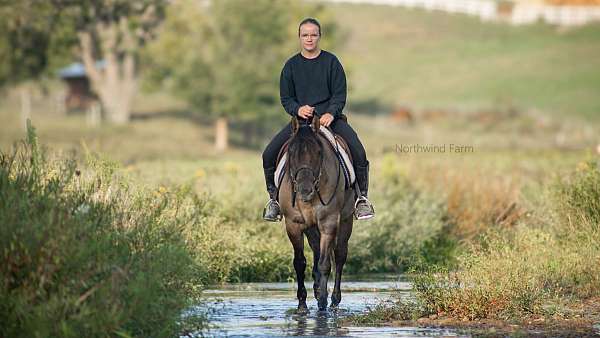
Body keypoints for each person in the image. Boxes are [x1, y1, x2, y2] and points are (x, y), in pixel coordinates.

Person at [262, 17, 375, 221]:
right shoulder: (290, 66)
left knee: (358, 149)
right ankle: (274, 201)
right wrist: (297, 108)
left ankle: (362, 199)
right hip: (301, 124)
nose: (309, 38)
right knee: (269, 153)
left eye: (313, 34)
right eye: (305, 35)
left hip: (330, 121)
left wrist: (331, 113)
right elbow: (286, 98)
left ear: (319, 36)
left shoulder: (332, 62)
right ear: (299, 37)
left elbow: (339, 94)